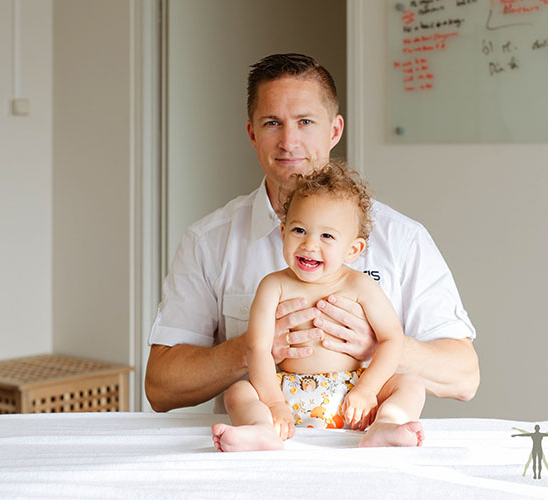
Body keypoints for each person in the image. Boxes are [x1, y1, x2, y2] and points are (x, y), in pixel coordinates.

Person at [145, 53, 479, 415]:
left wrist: (379, 345)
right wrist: (250, 349)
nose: (289, 141)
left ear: (334, 130)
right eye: (272, 123)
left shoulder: (402, 238)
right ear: (252, 133)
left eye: (305, 122)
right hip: (261, 440)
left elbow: (465, 376)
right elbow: (160, 387)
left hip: (363, 442)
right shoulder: (208, 241)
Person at [212, 161, 426, 451]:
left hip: (351, 395)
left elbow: (392, 339)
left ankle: (385, 424)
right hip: (285, 392)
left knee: (411, 385)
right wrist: (273, 403)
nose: (310, 244)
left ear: (353, 249)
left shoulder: (361, 286)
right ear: (283, 231)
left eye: (326, 236)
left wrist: (368, 390)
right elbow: (257, 348)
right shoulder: (273, 286)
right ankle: (261, 428)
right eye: (299, 230)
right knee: (238, 392)